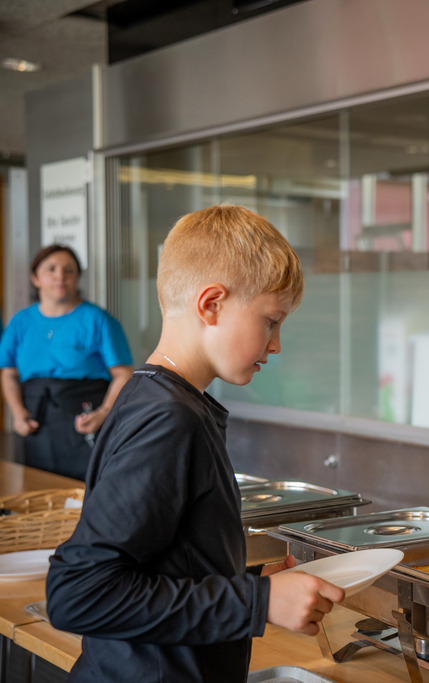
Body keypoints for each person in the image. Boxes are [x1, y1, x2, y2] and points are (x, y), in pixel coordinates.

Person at [46, 205, 344, 682]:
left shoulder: (158, 398)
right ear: (211, 305)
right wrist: (257, 601)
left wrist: (253, 586)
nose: (276, 344)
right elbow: (80, 593)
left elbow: (159, 568)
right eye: (271, 320)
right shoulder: (168, 418)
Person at [0, 245, 133, 480]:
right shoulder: (20, 322)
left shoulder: (98, 320)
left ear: (77, 277)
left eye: (68, 270)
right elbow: (8, 373)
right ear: (35, 278)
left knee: (87, 493)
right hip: (37, 422)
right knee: (39, 492)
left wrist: (103, 413)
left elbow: (123, 373)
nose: (60, 276)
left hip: (84, 419)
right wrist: (18, 413)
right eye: (51, 269)